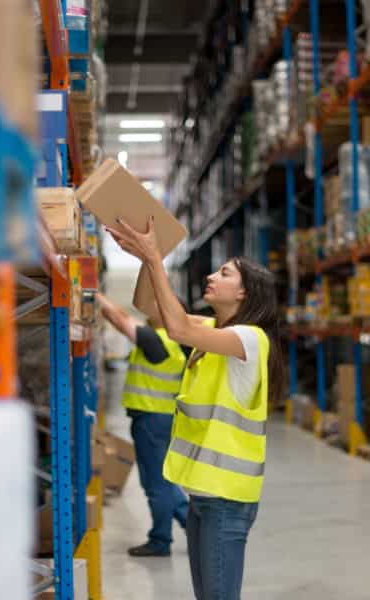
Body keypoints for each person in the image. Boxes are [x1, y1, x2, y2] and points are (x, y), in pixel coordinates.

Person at [106, 216, 283, 600]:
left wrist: (155, 259)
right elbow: (154, 308)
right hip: (204, 494)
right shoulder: (215, 331)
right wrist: (145, 258)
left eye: (224, 273)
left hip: (227, 498)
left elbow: (179, 330)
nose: (212, 278)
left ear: (244, 294)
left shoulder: (250, 340)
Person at [96, 292, 190, 557]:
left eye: (158, 306)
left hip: (152, 420)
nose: (151, 309)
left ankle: (164, 539)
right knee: (161, 482)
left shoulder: (159, 341)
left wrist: (94, 292)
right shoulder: (171, 343)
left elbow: (120, 318)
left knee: (156, 485)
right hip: (157, 418)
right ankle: (187, 529)